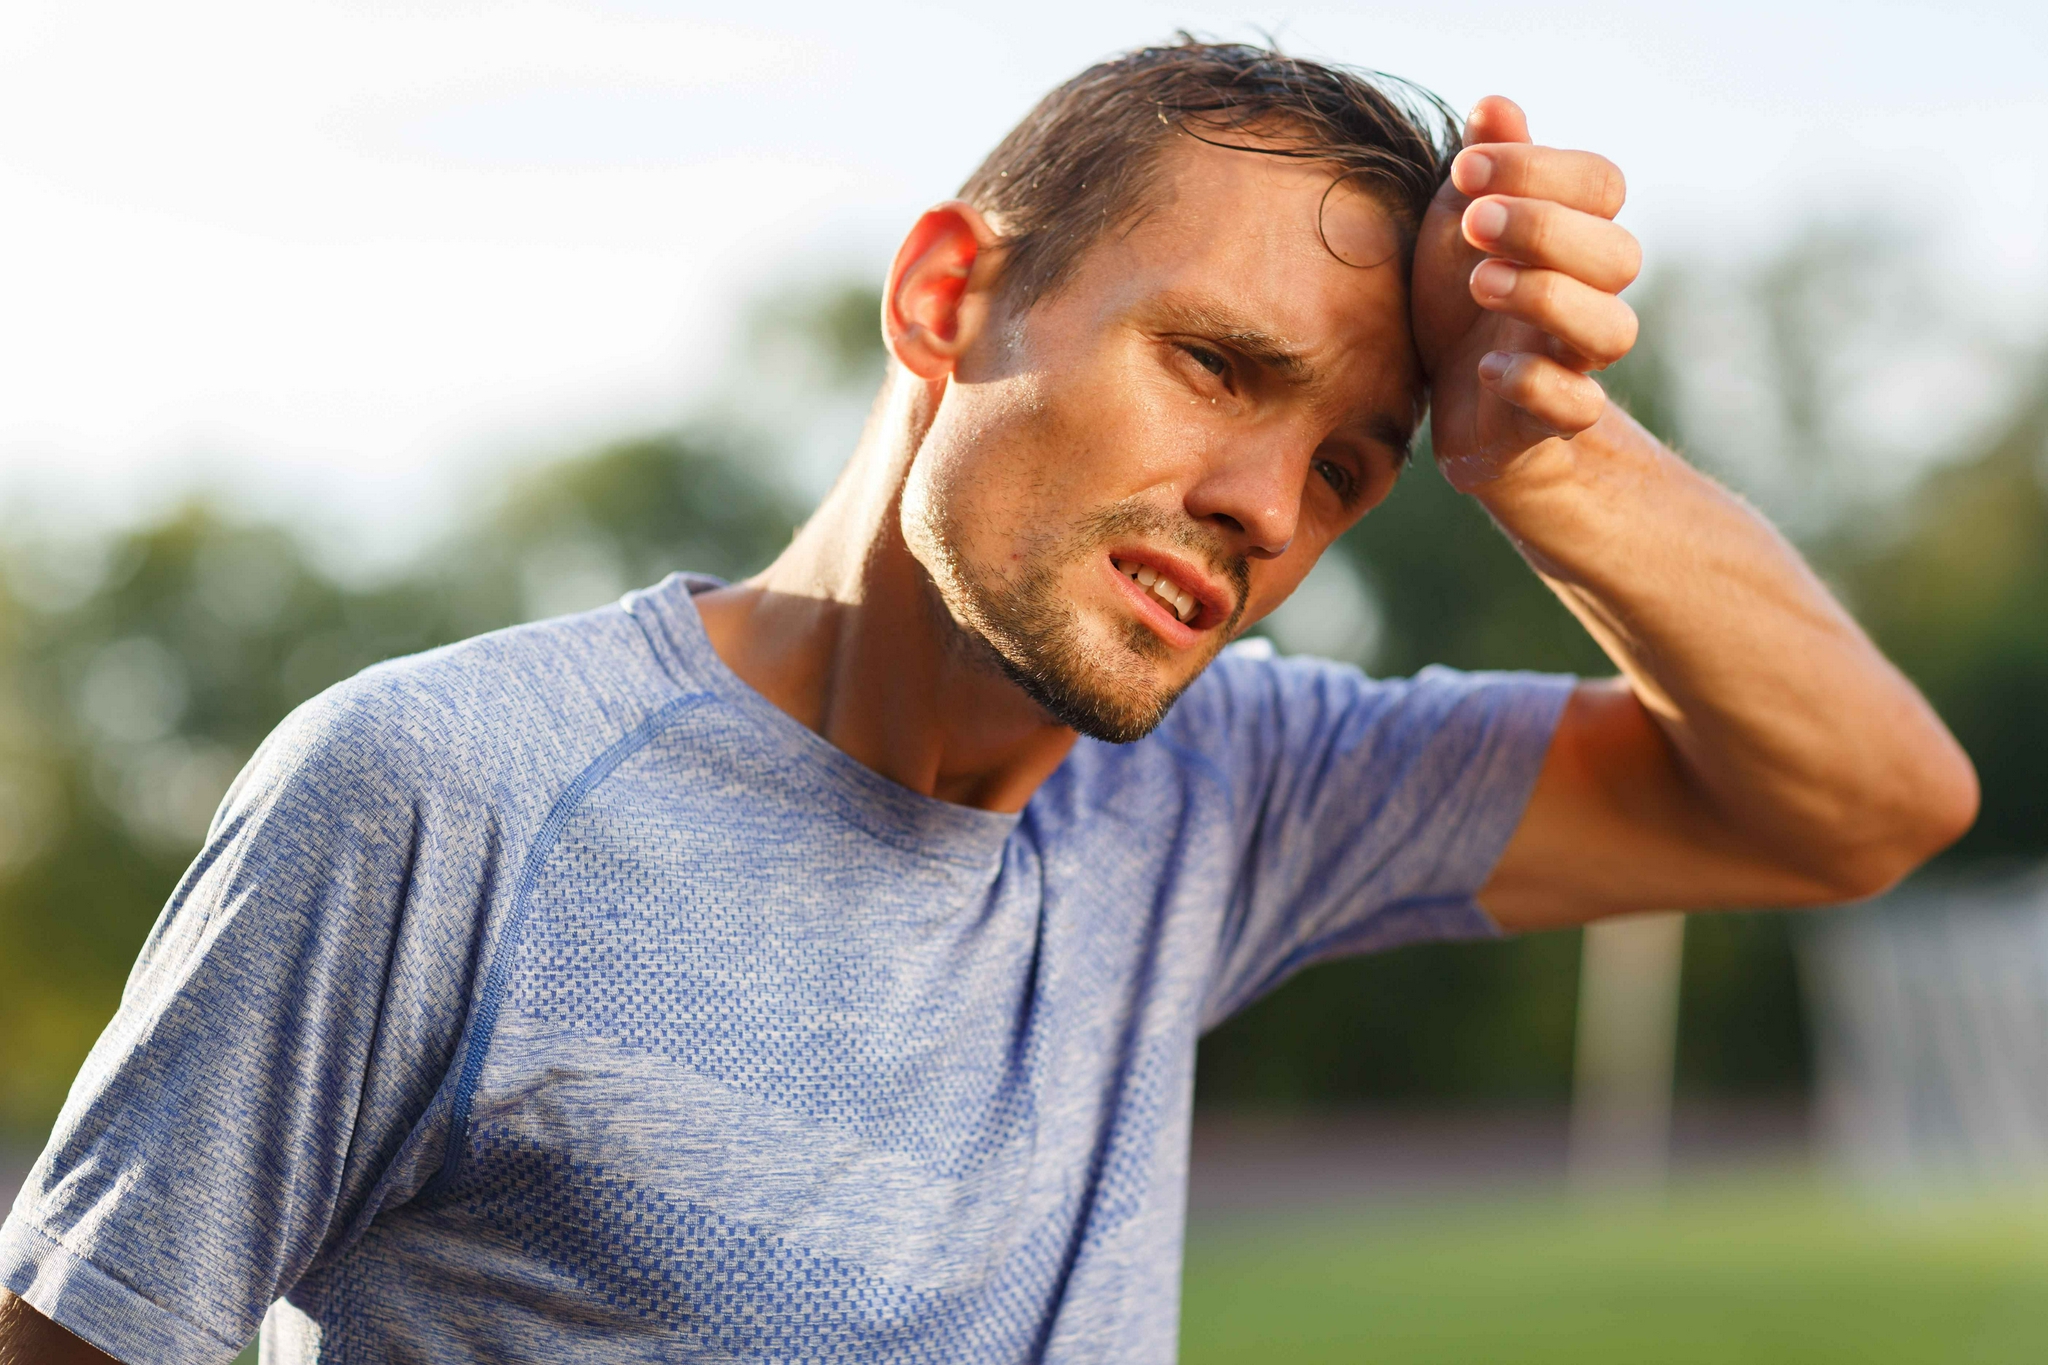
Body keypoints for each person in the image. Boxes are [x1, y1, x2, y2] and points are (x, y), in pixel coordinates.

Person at [0, 37, 1975, 1365]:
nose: (1263, 505)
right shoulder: (444, 788)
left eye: (1349, 465)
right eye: (1214, 364)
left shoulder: (1231, 787)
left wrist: (1544, 455)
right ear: (948, 294)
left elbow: (1860, 802)